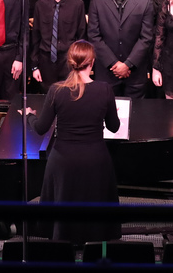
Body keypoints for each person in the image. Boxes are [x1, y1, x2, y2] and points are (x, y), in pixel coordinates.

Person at [27, 40, 120, 244]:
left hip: (63, 162)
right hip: (95, 161)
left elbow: (40, 128)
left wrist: (29, 115)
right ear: (92, 62)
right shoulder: (105, 89)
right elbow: (114, 127)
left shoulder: (56, 90)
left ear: (70, 62)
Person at [87, 0, 153, 99]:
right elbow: (93, 35)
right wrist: (115, 64)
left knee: (136, 112)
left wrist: (127, 64)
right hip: (107, 72)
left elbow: (146, 38)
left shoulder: (145, 0)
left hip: (135, 73)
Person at [31, 0, 86, 89]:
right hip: (45, 63)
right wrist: (34, 66)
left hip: (69, 63)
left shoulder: (77, 5)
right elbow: (36, 38)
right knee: (48, 96)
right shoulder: (40, 5)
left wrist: (79, 67)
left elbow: (81, 37)